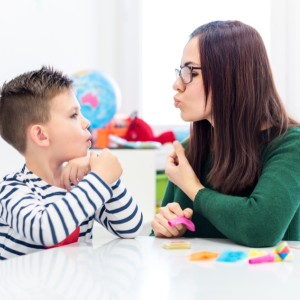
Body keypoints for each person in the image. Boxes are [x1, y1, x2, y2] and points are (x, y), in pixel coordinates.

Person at [150, 20, 300, 247]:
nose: (177, 84)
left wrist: (192, 188)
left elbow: (260, 228)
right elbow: (159, 243)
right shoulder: (189, 149)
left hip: (271, 282)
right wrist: (165, 230)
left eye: (190, 72)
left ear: (230, 75)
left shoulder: (289, 144)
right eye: (180, 72)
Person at [0, 66, 143, 260]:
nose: (87, 122)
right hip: (25, 290)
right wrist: (100, 179)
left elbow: (131, 227)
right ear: (41, 135)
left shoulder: (81, 183)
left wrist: (110, 180)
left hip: (73, 289)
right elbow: (46, 230)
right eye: (73, 115)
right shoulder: (11, 189)